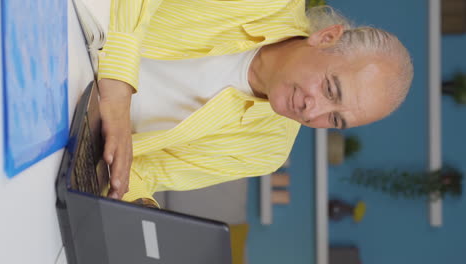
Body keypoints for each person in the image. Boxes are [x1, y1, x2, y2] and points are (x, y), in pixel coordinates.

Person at [96, 0, 413, 205]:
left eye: (335, 120)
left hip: (68, 126)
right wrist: (118, 87)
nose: (312, 111)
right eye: (331, 89)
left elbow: (141, 173)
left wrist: (141, 208)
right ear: (327, 37)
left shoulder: (266, 150)